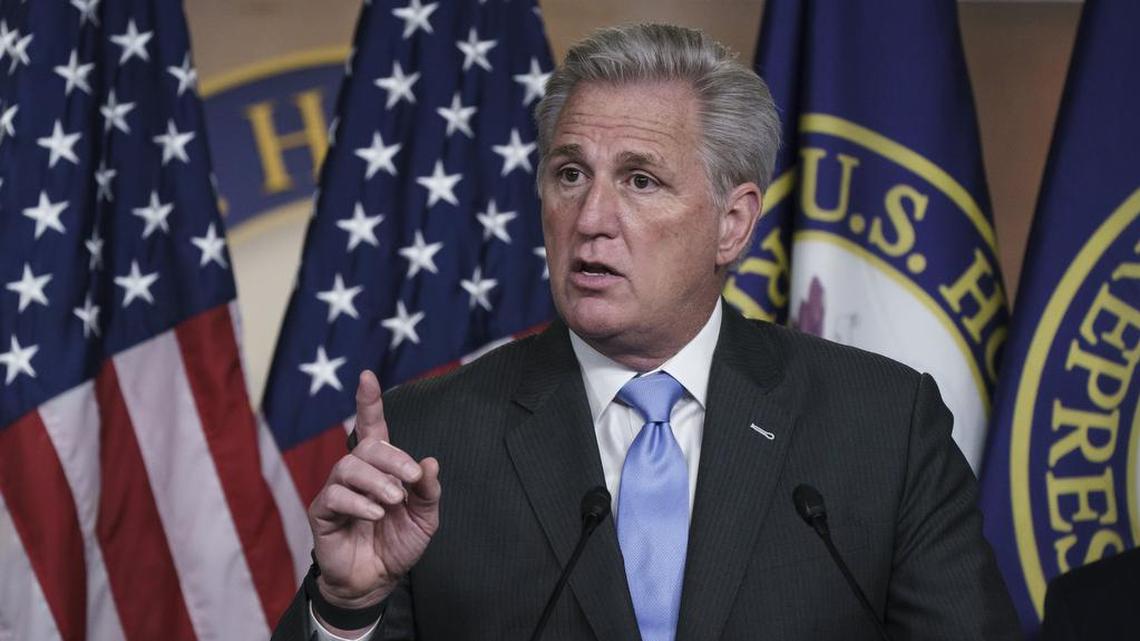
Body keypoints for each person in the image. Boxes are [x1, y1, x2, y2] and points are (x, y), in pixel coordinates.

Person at [272, 23, 1021, 641]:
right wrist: (345, 609)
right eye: (570, 175)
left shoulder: (881, 426)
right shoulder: (429, 439)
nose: (591, 218)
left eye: (640, 180)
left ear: (733, 223)